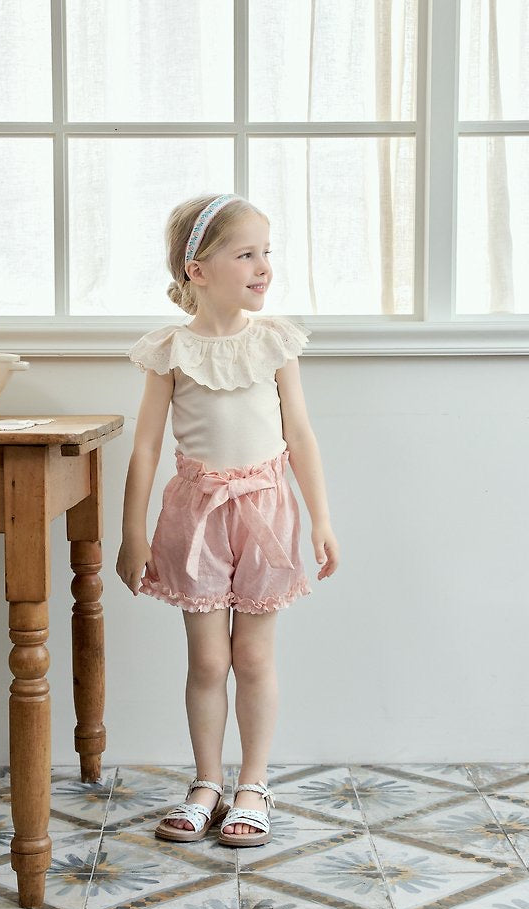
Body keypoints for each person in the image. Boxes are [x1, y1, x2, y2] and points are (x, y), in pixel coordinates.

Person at [117, 192, 339, 847]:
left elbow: (300, 434)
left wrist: (322, 520)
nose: (263, 266)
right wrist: (132, 533)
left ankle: (254, 784)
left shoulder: (275, 342)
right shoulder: (171, 350)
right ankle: (207, 782)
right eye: (246, 254)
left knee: (254, 656)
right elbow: (145, 447)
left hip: (266, 512)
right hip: (196, 517)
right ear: (198, 270)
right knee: (209, 661)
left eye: (266, 252)